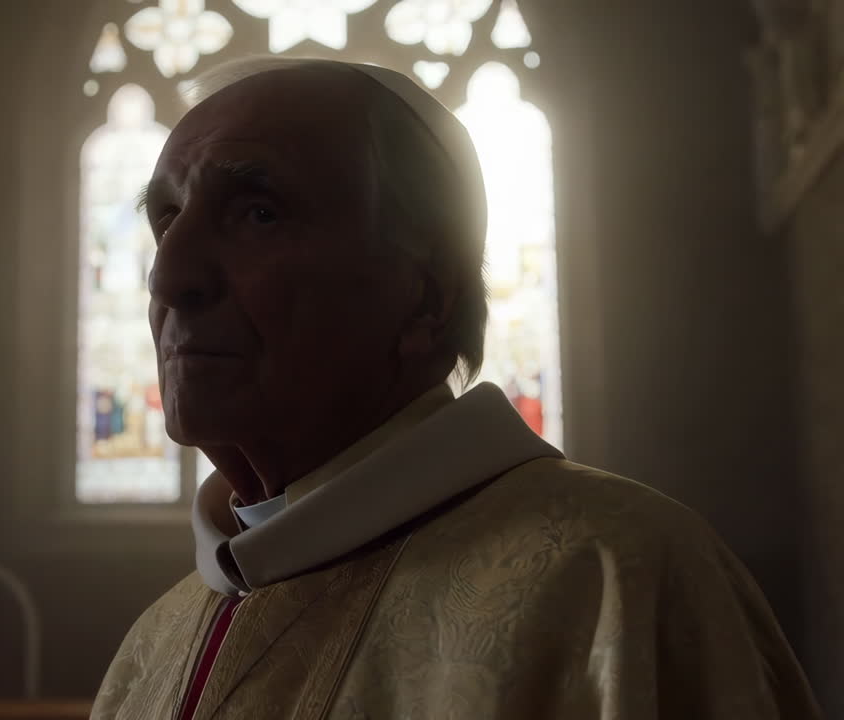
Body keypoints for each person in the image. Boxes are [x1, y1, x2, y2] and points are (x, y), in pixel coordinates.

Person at [91, 57, 822, 720]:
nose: (168, 276)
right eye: (166, 219)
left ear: (426, 298)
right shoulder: (153, 644)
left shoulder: (616, 580)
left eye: (257, 212)